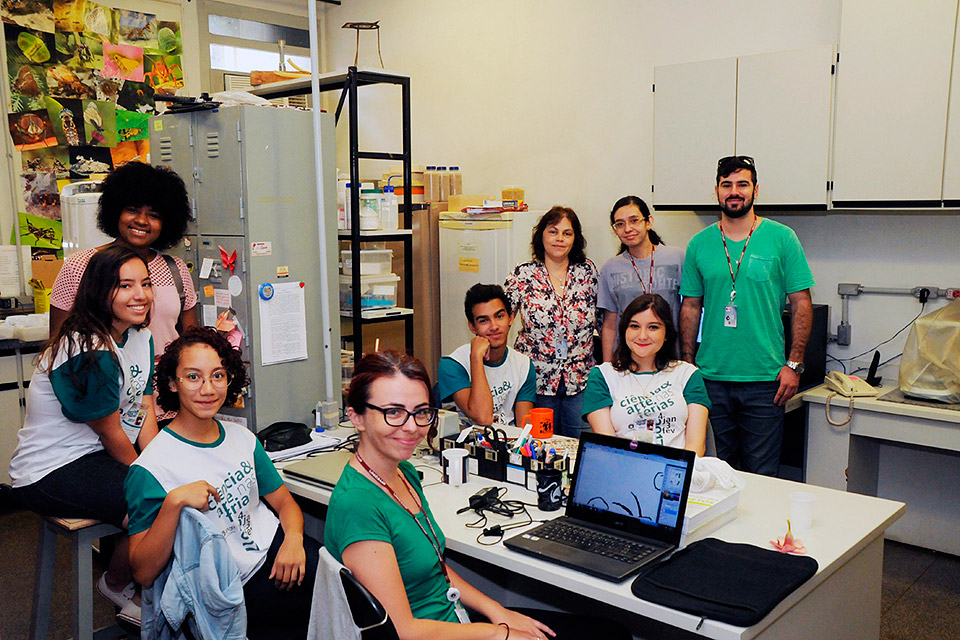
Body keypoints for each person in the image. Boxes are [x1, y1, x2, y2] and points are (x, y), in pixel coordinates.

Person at [325, 351, 631, 640]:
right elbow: (404, 630)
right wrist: (499, 632)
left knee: (609, 632)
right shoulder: (359, 505)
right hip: (432, 632)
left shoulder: (402, 473)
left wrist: (497, 611)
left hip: (454, 621)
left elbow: (435, 567)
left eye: (421, 413)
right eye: (393, 412)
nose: (411, 427)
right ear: (357, 417)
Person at [124, 327, 319, 639]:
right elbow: (144, 573)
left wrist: (293, 539)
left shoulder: (242, 438)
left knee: (348, 595)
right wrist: (174, 503)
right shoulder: (151, 468)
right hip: (230, 587)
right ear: (172, 383)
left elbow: (285, 504)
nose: (207, 389)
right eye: (193, 377)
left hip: (277, 552)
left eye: (218, 375)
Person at [8, 245, 159, 621]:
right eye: (125, 286)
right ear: (99, 291)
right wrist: (150, 474)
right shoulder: (86, 348)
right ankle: (120, 583)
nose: (140, 295)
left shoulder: (141, 337)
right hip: (52, 468)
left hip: (99, 457)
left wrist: (161, 462)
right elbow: (110, 432)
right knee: (157, 503)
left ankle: (153, 594)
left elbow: (145, 409)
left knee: (173, 487)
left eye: (145, 283)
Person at [679, 155, 815, 475]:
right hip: (711, 378)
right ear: (716, 191)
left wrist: (794, 364)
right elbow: (690, 306)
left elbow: (802, 304)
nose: (734, 191)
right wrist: (687, 365)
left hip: (765, 381)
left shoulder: (782, 238)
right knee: (711, 472)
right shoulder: (699, 244)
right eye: (727, 185)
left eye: (742, 184)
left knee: (762, 475)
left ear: (756, 190)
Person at [51, 161, 198, 367]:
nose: (142, 221)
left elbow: (191, 345)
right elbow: (58, 346)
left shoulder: (176, 270)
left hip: (168, 390)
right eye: (133, 210)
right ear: (115, 211)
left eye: (153, 215)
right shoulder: (79, 266)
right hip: (104, 387)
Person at [504, 206, 598, 437]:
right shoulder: (523, 274)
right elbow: (502, 319)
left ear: (575, 239)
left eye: (567, 233)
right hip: (536, 379)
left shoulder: (588, 272)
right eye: (553, 231)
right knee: (539, 447)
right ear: (541, 236)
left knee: (579, 446)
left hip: (580, 379)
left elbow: (604, 318)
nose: (560, 239)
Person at [583, 294, 709, 456]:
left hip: (677, 472)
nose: (642, 336)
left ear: (666, 334)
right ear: (624, 330)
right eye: (634, 326)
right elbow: (608, 448)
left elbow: (696, 447)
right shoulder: (602, 376)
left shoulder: (688, 374)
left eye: (653, 327)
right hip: (623, 470)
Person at [598, 196, 684, 363]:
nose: (628, 228)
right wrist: (607, 368)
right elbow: (609, 324)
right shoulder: (611, 268)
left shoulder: (677, 258)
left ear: (648, 222)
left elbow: (689, 310)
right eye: (620, 224)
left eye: (634, 220)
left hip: (670, 358)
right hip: (627, 361)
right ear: (614, 230)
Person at [436, 284, 536, 426]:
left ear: (511, 318)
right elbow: (483, 418)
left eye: (499, 316)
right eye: (484, 320)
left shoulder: (523, 366)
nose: (494, 326)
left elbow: (524, 429)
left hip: (509, 443)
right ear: (472, 327)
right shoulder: (452, 364)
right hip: (467, 444)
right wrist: (476, 357)